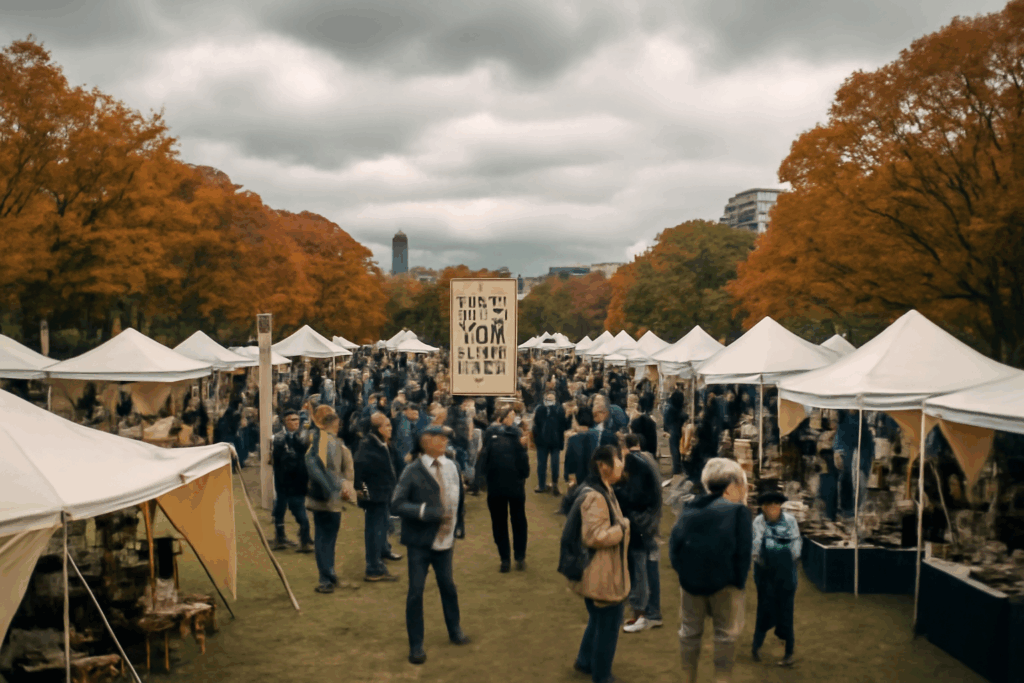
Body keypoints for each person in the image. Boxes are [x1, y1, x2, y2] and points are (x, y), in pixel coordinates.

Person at [391, 425, 470, 665]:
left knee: (448, 586)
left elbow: (458, 498)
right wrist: (427, 512)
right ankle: (416, 645)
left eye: (446, 437)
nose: (446, 441)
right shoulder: (412, 471)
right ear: (427, 442)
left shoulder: (453, 466)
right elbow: (396, 504)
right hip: (419, 543)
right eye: (440, 438)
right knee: (416, 592)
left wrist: (458, 526)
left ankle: (454, 630)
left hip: (445, 542)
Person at [669, 457, 753, 683]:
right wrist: (738, 581)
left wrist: (684, 573)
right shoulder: (738, 512)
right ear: (732, 485)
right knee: (725, 637)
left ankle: (688, 678)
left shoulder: (689, 508)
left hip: (690, 584)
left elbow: (674, 546)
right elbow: (744, 552)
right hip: (725, 584)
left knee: (689, 634)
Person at [569, 445, 631, 683]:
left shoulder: (604, 489)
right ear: (603, 466)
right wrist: (622, 527)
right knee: (608, 625)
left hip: (601, 569)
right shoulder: (596, 495)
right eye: (618, 461)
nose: (622, 465)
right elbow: (594, 536)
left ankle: (584, 661)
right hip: (601, 571)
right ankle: (601, 675)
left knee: (598, 618)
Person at [305, 406, 357, 594]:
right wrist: (334, 487)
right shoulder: (324, 442)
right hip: (325, 498)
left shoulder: (326, 441)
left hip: (329, 497)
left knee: (327, 537)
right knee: (324, 538)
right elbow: (322, 469)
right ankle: (325, 577)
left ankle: (329, 573)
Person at [616, 434, 663, 634]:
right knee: (649, 565)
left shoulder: (634, 462)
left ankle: (645, 614)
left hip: (641, 525)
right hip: (650, 523)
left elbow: (636, 497)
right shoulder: (648, 458)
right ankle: (649, 612)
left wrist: (617, 493)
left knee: (641, 568)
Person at [476, 407, 530, 572]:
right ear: (502, 417)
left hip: (499, 485)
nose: (513, 418)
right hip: (512, 485)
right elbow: (525, 470)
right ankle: (515, 557)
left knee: (503, 523)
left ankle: (508, 559)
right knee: (516, 521)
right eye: (510, 415)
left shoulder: (491, 436)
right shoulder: (516, 436)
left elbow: (483, 460)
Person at [751, 490, 801, 667]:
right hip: (765, 574)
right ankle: (756, 647)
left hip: (786, 574)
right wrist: (762, 562)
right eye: (769, 505)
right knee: (764, 610)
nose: (773, 508)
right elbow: (755, 547)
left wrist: (787, 562)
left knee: (786, 612)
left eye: (776, 505)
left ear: (780, 506)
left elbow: (796, 544)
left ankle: (789, 653)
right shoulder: (758, 522)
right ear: (763, 508)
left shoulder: (790, 521)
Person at [354, 412, 403, 582]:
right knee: (375, 530)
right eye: (387, 425)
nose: (391, 428)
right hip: (376, 497)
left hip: (384, 493)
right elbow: (358, 474)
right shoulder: (367, 446)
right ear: (378, 428)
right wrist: (367, 495)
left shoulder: (382, 443)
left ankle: (383, 551)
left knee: (382, 526)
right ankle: (374, 568)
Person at [270, 410, 313, 552]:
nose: (296, 422)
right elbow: (276, 461)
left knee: (300, 511)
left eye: (297, 419)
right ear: (285, 422)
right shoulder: (279, 438)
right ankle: (280, 538)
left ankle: (305, 540)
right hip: (283, 481)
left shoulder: (303, 437)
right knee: (279, 510)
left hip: (298, 481)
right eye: (292, 419)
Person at [533, 391, 568, 495]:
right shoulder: (556, 409)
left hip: (548, 441)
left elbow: (536, 424)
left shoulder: (544, 409)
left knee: (548, 464)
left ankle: (548, 485)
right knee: (548, 464)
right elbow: (564, 426)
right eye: (549, 399)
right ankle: (548, 484)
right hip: (549, 441)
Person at [565, 406, 600, 489]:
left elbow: (569, 463)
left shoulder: (573, 439)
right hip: (597, 478)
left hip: (581, 481)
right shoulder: (598, 434)